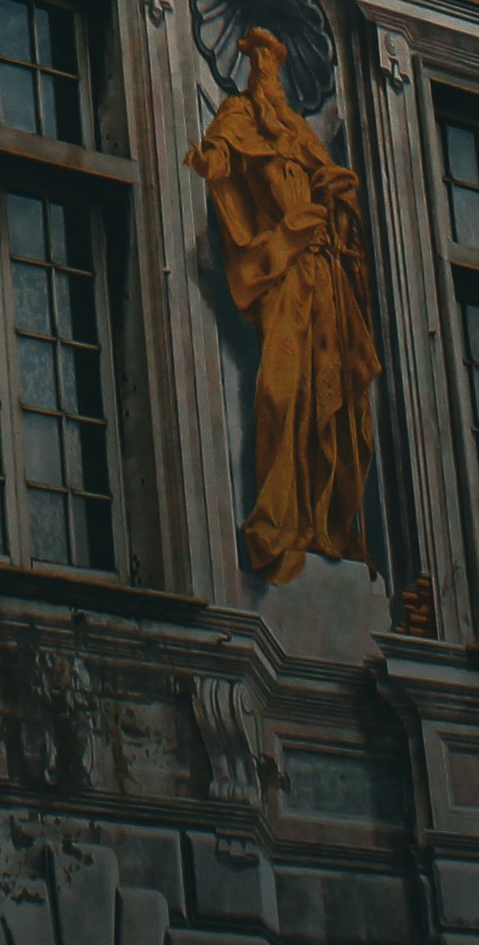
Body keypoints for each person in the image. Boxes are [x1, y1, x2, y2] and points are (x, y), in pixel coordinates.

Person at [192, 30, 380, 580]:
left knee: (332, 395)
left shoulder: (297, 130)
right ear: (249, 70)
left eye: (273, 65)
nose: (266, 77)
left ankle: (323, 521)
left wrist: (337, 197)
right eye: (259, 64)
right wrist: (212, 159)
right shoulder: (237, 115)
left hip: (322, 275)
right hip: (281, 270)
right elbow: (221, 154)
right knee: (279, 390)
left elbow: (331, 178)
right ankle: (276, 519)